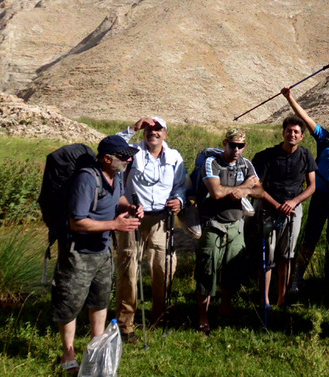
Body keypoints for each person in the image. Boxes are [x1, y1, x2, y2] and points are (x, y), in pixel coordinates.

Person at [51, 135, 141, 374]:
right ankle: (68, 354)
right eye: (123, 156)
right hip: (78, 252)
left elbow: (116, 198)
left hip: (102, 250)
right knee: (70, 304)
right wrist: (115, 225)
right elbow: (77, 222)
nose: (128, 160)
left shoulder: (116, 176)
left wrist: (128, 207)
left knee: (100, 301)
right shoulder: (86, 180)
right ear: (106, 158)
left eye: (128, 156)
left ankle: (97, 347)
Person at [113, 116, 187, 342]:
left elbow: (180, 186)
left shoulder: (175, 157)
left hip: (161, 220)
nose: (152, 132)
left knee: (164, 268)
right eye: (149, 129)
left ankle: (160, 316)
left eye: (158, 129)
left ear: (165, 134)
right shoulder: (132, 151)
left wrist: (179, 201)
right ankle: (126, 325)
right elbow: (110, 146)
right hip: (132, 218)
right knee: (129, 270)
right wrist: (134, 127)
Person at [280, 87, 329, 291]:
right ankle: (297, 278)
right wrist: (290, 98)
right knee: (311, 237)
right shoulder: (324, 138)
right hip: (321, 195)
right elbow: (304, 117)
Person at [195, 128, 263, 336]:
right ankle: (203, 316)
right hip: (213, 224)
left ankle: (225, 308)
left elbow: (259, 189)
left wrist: (246, 190)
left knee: (233, 269)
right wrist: (243, 186)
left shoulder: (246, 163)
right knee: (207, 270)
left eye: (240, 146)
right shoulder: (212, 162)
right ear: (224, 143)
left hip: (236, 225)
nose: (236, 150)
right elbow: (215, 192)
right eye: (232, 145)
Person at [253, 116, 317, 307]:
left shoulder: (306, 156)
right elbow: (258, 187)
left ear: (302, 136)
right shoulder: (266, 156)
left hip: (294, 212)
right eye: (289, 131)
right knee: (267, 256)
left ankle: (282, 299)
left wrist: (294, 202)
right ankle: (264, 300)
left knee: (287, 256)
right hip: (269, 210)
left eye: (296, 132)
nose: (292, 134)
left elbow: (312, 185)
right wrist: (276, 204)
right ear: (283, 133)